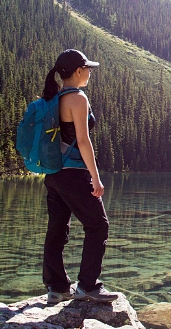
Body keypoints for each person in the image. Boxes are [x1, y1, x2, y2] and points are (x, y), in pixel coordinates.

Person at [41, 49, 117, 304]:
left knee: (57, 229)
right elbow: (83, 141)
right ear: (77, 71)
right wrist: (96, 178)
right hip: (75, 174)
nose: (90, 73)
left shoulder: (54, 98)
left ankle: (57, 287)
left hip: (53, 174)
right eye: (88, 69)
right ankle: (87, 286)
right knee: (98, 225)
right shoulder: (78, 98)